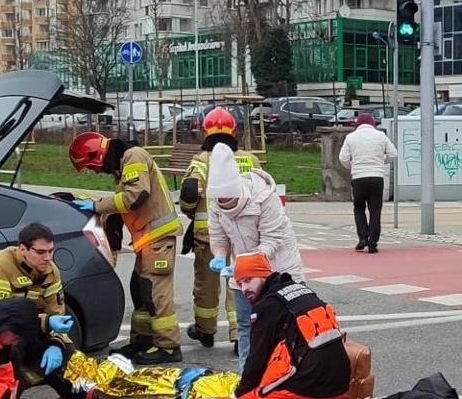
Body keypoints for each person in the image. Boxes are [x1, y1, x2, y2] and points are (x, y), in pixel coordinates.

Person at [69, 130, 185, 365]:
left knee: (155, 293)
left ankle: (169, 346)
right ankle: (142, 340)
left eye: (91, 167)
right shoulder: (124, 163)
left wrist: (96, 205)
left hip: (159, 237)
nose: (94, 172)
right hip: (148, 240)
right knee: (140, 290)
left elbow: (135, 197)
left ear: (96, 155)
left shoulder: (133, 156)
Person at [205, 142, 303, 369]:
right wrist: (219, 256)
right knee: (246, 325)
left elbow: (270, 241)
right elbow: (218, 237)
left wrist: (245, 266)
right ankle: (247, 379)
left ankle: (286, 375)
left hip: (278, 267)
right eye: (219, 201)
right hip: (242, 270)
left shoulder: (264, 197)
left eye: (226, 200)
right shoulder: (216, 204)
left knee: (283, 324)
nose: (222, 204)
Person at [0, 223, 79, 399]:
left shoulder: (50, 270)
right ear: (23, 249)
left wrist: (55, 343)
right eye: (40, 252)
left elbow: (56, 313)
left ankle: (68, 389)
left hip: (26, 323)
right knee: (15, 350)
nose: (47, 258)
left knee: (66, 348)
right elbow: (0, 319)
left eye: (50, 251)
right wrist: (46, 322)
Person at [177, 108, 258, 355]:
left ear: (206, 131)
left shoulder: (202, 160)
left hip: (209, 236)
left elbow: (190, 191)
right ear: (234, 132)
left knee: (206, 286)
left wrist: (191, 212)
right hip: (244, 236)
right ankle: (238, 335)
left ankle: (205, 330)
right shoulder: (249, 159)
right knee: (241, 283)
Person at [232, 252, 350, 399]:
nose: (245, 288)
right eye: (240, 284)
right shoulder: (302, 289)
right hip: (342, 384)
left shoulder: (267, 305)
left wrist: (238, 395)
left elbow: (256, 360)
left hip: (312, 388)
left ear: (264, 275)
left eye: (248, 280)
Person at [337, 113, 397, 253]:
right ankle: (373, 243)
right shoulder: (381, 136)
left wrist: (353, 166)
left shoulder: (351, 137)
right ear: (372, 124)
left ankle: (362, 238)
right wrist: (382, 162)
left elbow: (343, 158)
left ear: (357, 124)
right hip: (377, 177)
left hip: (359, 178)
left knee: (359, 208)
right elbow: (393, 153)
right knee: (375, 210)